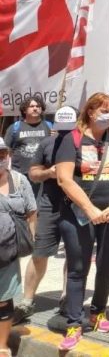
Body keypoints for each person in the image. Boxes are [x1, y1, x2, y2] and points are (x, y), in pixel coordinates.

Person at [55, 93, 109, 351]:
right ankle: (73, 323)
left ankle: (98, 313)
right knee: (78, 268)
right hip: (79, 214)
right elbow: (64, 179)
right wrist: (90, 209)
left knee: (107, 264)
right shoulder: (73, 140)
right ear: (90, 112)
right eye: (103, 109)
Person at [14, 107, 77, 325]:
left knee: (74, 253)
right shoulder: (47, 143)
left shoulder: (84, 144)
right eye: (61, 129)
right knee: (40, 252)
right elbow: (33, 172)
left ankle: (67, 298)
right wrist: (49, 172)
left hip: (77, 206)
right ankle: (27, 301)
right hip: (50, 205)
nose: (65, 134)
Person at [0, 137, 37, 356]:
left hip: (8, 252)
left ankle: (2, 345)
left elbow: (31, 212)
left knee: (3, 300)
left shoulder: (19, 180)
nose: (0, 159)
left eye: (2, 155)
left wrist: (27, 242)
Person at [3, 97, 51, 193]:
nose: (35, 108)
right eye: (32, 106)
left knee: (38, 206)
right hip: (20, 175)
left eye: (38, 106)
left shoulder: (49, 126)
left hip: (41, 174)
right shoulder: (15, 128)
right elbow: (6, 151)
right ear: (24, 110)